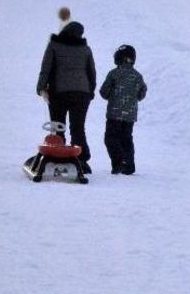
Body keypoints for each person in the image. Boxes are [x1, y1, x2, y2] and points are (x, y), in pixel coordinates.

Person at [37, 11, 97, 172]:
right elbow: (91, 72)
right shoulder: (85, 49)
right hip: (81, 94)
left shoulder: (54, 45)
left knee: (58, 126)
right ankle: (82, 160)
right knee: (78, 127)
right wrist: (91, 91)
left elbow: (46, 68)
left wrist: (41, 87)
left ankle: (57, 157)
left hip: (59, 93)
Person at [99, 44, 147, 175]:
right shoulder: (138, 76)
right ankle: (129, 165)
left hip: (114, 114)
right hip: (130, 116)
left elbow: (104, 92)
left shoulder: (114, 73)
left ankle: (119, 162)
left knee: (111, 138)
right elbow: (142, 93)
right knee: (126, 138)